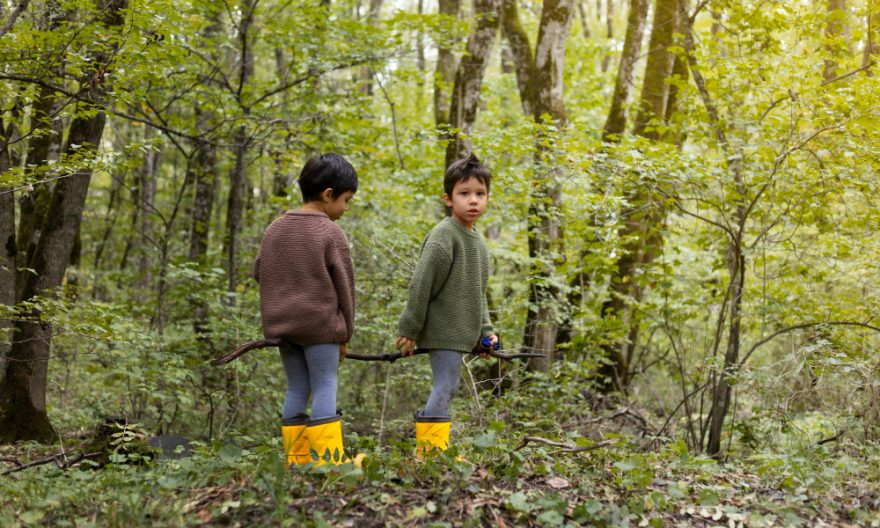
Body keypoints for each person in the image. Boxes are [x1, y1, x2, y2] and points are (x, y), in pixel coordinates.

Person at [254, 153, 358, 466]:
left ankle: (296, 460)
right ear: (328, 195)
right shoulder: (330, 233)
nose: (346, 208)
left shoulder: (274, 229)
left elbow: (259, 270)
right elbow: (346, 288)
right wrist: (345, 333)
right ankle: (329, 461)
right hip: (321, 327)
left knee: (297, 387)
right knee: (325, 384)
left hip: (283, 328)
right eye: (346, 200)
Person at [395, 153, 499, 455]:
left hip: (462, 333)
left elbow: (477, 293)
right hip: (443, 328)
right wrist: (410, 328)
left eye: (480, 194)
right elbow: (421, 283)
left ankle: (432, 452)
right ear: (448, 199)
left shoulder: (478, 243)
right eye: (464, 194)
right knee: (446, 385)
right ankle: (429, 454)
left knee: (449, 385)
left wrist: (486, 333)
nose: (473, 201)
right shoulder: (444, 235)